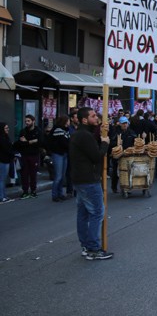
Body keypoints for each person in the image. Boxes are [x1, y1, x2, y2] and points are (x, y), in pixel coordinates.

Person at [70, 107, 113, 260]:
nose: (96, 118)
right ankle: (93, 248)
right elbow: (96, 156)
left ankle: (86, 246)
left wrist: (101, 132)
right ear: (84, 119)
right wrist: (105, 144)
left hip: (80, 179)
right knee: (97, 212)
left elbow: (90, 147)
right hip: (88, 179)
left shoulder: (81, 134)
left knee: (83, 213)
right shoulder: (83, 136)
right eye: (93, 116)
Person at [15, 114, 42, 199]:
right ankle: (25, 191)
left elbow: (40, 142)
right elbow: (20, 143)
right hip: (24, 155)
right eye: (26, 121)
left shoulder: (38, 131)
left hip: (34, 155)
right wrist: (31, 141)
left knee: (33, 174)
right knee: (24, 174)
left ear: (33, 121)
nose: (27, 122)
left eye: (28, 121)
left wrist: (27, 142)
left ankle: (33, 191)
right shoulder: (23, 131)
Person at [109, 117, 136, 193]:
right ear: (120, 124)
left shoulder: (131, 132)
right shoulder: (116, 132)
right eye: (123, 123)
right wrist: (117, 144)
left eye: (126, 123)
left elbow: (136, 140)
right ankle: (114, 187)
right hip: (117, 154)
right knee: (116, 172)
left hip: (128, 154)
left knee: (127, 171)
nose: (125, 125)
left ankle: (127, 187)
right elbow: (111, 143)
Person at [47, 115, 71, 202]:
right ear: (64, 121)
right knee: (58, 175)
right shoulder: (58, 130)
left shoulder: (65, 130)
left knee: (62, 175)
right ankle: (55, 194)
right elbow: (64, 142)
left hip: (64, 154)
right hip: (58, 154)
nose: (69, 122)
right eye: (68, 121)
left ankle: (60, 193)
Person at [0, 122, 13, 203]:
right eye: (6, 128)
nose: (8, 129)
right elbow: (7, 149)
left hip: (5, 160)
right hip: (3, 161)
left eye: (8, 127)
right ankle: (2, 197)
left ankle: (3, 196)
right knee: (2, 180)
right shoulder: (2, 138)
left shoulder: (5, 137)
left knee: (2, 180)